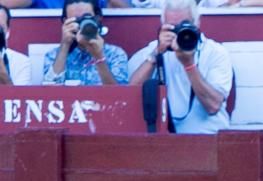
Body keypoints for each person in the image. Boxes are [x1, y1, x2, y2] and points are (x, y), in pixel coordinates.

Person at [128, 0, 233, 134]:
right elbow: (130, 95)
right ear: (162, 25)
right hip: (166, 141)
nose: (178, 32)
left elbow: (213, 106)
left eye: (184, 25)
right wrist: (155, 55)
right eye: (172, 27)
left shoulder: (215, 52)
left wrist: (189, 65)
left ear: (197, 23)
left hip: (208, 136)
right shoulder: (153, 50)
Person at [42, 0, 127, 85]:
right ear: (65, 22)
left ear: (98, 18)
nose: (82, 23)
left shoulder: (115, 54)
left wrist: (99, 57)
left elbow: (119, 95)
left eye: (87, 18)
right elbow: (49, 93)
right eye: (77, 20)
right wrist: (65, 45)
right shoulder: (52, 55)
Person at [0, 7, 31, 86]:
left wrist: (4, 75)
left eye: (0, 28)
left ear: (8, 32)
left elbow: (22, 97)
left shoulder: (21, 62)